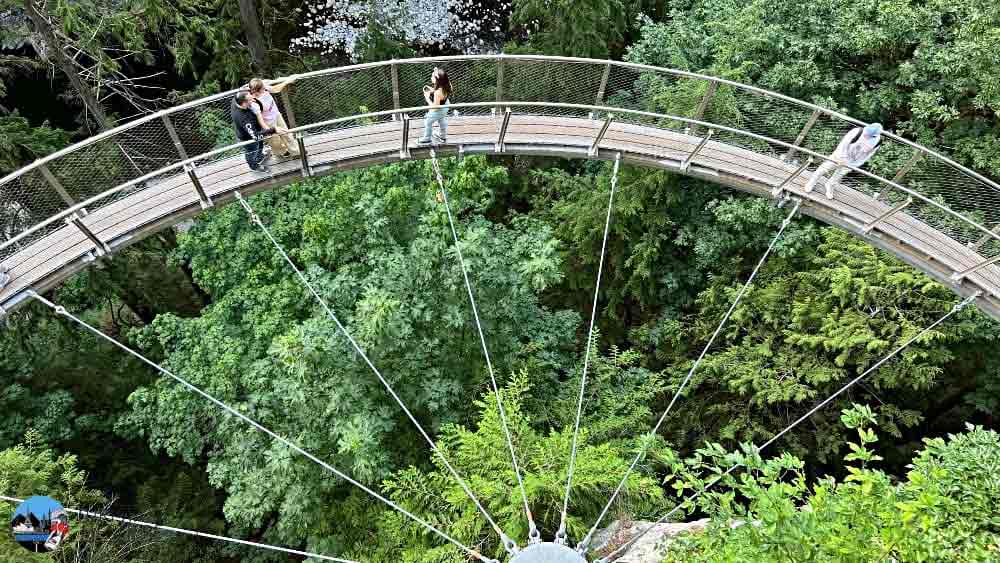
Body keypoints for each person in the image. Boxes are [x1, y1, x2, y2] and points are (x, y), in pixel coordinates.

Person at [805, 123, 883, 199]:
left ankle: (829, 185)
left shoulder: (877, 141)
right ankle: (812, 182)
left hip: (853, 161)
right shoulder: (857, 131)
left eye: (869, 135)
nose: (866, 135)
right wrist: (842, 158)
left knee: (839, 175)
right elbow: (843, 144)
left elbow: (868, 155)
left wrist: (856, 164)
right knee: (825, 168)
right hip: (840, 155)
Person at [248, 77, 299, 159]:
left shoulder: (262, 86)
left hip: (276, 115)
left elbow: (275, 89)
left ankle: (296, 152)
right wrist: (269, 131)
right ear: (258, 90)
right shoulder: (254, 103)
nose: (265, 89)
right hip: (268, 122)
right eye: (263, 89)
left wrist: (287, 79)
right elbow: (260, 121)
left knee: (286, 134)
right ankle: (282, 152)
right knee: (275, 141)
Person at [231, 90, 278, 173]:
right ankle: (254, 166)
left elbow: (241, 93)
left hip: (254, 130)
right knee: (251, 151)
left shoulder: (236, 101)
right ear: (244, 103)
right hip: (247, 137)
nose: (253, 99)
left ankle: (259, 157)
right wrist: (273, 130)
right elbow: (255, 136)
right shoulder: (243, 118)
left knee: (259, 145)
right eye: (250, 99)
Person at [417, 67, 452, 145]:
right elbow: (441, 90)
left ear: (437, 80)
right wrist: (436, 71)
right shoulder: (447, 85)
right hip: (445, 106)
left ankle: (427, 138)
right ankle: (442, 136)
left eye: (432, 76)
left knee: (428, 122)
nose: (431, 77)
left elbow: (435, 108)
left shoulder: (438, 93)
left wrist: (427, 98)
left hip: (439, 109)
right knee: (441, 119)